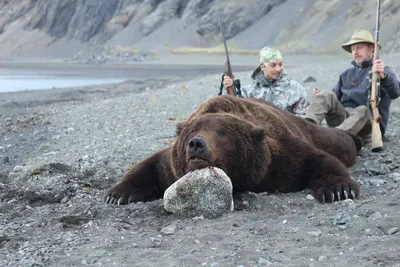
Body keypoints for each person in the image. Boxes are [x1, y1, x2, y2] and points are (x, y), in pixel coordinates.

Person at [304, 29, 400, 144]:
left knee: (362, 110)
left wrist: (383, 76)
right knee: (325, 94)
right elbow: (334, 98)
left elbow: (395, 92)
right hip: (344, 120)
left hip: (367, 125)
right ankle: (305, 130)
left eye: (359, 47)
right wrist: (319, 96)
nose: (355, 52)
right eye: (353, 49)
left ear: (372, 48)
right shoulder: (346, 75)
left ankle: (332, 140)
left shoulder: (383, 71)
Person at [221, 47, 311, 116]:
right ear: (263, 67)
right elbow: (234, 113)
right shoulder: (248, 92)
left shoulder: (295, 88)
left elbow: (305, 119)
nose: (279, 69)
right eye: (273, 65)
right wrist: (229, 90)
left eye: (280, 64)